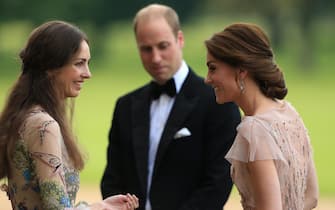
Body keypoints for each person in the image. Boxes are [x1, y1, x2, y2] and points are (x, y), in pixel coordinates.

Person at [100, 3, 241, 210]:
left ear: (180, 39)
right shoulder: (125, 106)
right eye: (146, 49)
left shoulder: (217, 102)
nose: (155, 58)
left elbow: (218, 183)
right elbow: (112, 178)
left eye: (163, 46)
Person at [0, 20, 139, 210]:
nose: (87, 73)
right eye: (79, 63)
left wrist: (99, 205)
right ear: (51, 67)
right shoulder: (43, 125)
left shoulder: (26, 116)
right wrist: (101, 209)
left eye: (87, 63)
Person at [204, 22, 319, 210]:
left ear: (241, 71)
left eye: (213, 68)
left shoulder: (254, 129)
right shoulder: (288, 112)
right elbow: (311, 197)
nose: (207, 79)